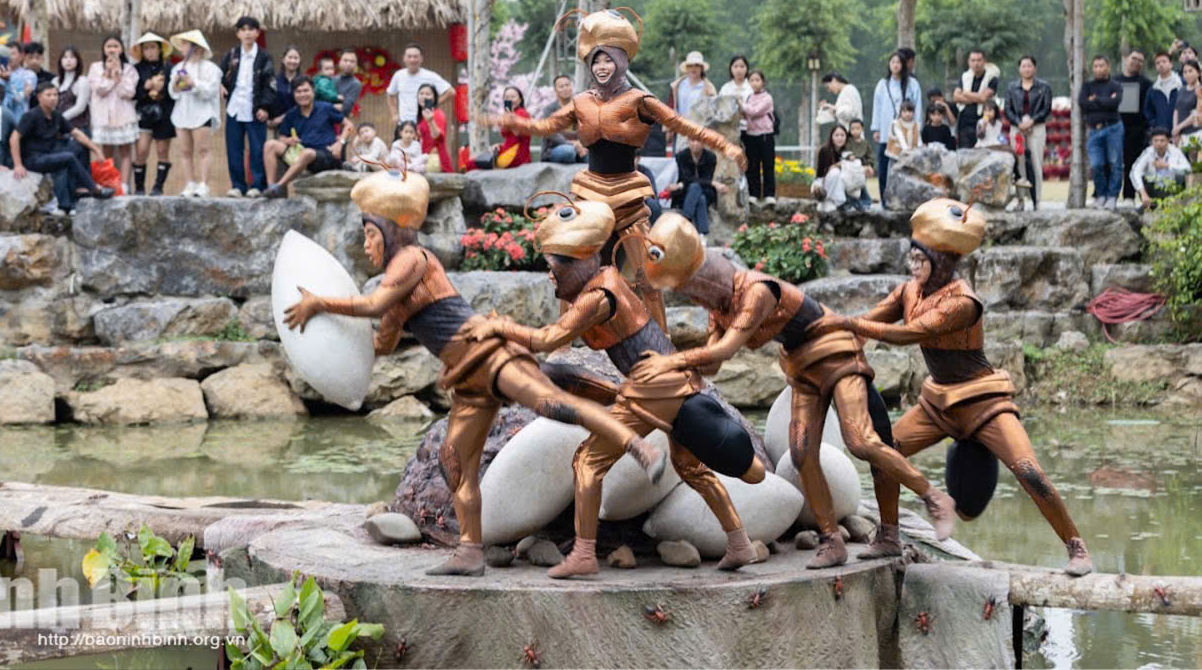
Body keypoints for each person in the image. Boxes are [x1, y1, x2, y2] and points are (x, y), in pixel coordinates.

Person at [282, 173, 665, 576]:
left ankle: (638, 446)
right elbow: (383, 344)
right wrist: (328, 344)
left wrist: (319, 304)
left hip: (487, 351)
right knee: (452, 459)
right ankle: (470, 551)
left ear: (389, 229)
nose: (366, 244)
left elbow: (374, 303)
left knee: (551, 403)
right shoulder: (397, 296)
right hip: (465, 377)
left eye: (369, 234)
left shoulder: (413, 260)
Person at [631, 213, 954, 568]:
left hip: (835, 352)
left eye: (692, 289)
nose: (695, 299)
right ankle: (832, 540)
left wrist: (670, 363)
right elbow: (712, 365)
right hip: (801, 367)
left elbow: (724, 350)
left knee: (861, 440)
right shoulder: (718, 309)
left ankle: (933, 496)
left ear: (707, 274)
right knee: (801, 454)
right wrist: (669, 359)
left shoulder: (757, 291)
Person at [468, 197, 759, 578]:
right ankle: (740, 544)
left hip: (653, 388)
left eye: (553, 266)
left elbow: (549, 337)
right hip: (673, 384)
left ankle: (584, 554)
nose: (550, 275)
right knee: (691, 468)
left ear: (578, 261)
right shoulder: (607, 282)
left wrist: (500, 326)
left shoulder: (599, 297)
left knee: (588, 461)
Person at [808, 198, 1092, 577]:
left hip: (982, 399)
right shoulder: (910, 291)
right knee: (885, 453)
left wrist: (851, 325)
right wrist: (827, 332)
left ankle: (1076, 547)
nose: (913, 265)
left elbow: (910, 333)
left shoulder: (963, 302)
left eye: (920, 258)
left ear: (943, 260)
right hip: (937, 402)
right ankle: (888, 534)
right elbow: (870, 320)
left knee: (1029, 470)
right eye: (912, 257)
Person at [490, 10, 746, 330]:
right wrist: (517, 122)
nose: (601, 67)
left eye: (608, 60)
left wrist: (726, 146)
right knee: (571, 270)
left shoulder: (640, 100)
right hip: (589, 196)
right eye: (596, 61)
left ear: (621, 60)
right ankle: (562, 343)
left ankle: (661, 345)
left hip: (628, 196)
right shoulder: (581, 101)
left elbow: (683, 125)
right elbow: (547, 125)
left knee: (646, 276)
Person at [11, 81, 115, 212]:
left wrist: (96, 149)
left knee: (78, 146)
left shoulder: (56, 115)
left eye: (55, 95)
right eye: (48, 95)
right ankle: (94, 189)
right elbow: (14, 138)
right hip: (34, 159)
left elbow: (76, 133)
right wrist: (18, 165)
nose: (53, 98)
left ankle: (78, 189)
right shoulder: (31, 116)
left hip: (49, 154)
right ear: (39, 97)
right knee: (68, 157)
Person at [218, 16, 274, 198]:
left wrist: (265, 107)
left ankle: (257, 185)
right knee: (234, 148)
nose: (247, 33)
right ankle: (237, 185)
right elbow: (220, 76)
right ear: (238, 33)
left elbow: (270, 84)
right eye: (243, 29)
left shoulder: (264, 56)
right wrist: (219, 85)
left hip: (255, 109)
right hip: (234, 107)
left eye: (251, 29)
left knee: (257, 148)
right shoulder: (231, 55)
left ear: (258, 33)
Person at [261, 76, 344, 198]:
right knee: (270, 145)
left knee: (307, 153)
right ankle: (271, 187)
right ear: (294, 95)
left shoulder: (326, 108)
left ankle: (279, 186)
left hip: (326, 156)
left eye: (306, 91)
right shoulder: (291, 114)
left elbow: (349, 126)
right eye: (298, 92)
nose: (302, 94)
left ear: (313, 92)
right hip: (301, 155)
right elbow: (282, 137)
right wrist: (288, 140)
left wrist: (340, 143)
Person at [168, 30, 223, 198]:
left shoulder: (211, 68)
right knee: (185, 151)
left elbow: (211, 91)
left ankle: (203, 184)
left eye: (186, 44)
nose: (182, 48)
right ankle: (189, 183)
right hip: (182, 113)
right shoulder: (178, 68)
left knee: (203, 149)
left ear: (197, 48)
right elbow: (172, 93)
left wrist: (194, 83)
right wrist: (176, 85)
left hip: (202, 113)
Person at [87, 35, 140, 195]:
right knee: (106, 151)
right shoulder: (96, 67)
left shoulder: (129, 69)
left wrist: (119, 77)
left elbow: (129, 93)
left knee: (125, 151)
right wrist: (109, 75)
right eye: (108, 46)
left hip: (123, 114)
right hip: (103, 117)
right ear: (104, 49)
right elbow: (99, 89)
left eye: (115, 46)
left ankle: (123, 185)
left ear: (121, 49)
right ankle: (108, 182)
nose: (112, 49)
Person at [870, 52, 922, 204]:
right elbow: (877, 107)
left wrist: (917, 128)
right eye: (892, 62)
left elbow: (917, 107)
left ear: (904, 65)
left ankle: (907, 199)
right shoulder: (882, 84)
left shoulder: (912, 84)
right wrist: (876, 129)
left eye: (898, 62)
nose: (895, 65)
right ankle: (885, 200)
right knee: (884, 166)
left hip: (907, 134)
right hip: (887, 132)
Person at [1002, 55, 1052, 209]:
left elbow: (1046, 109)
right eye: (1023, 66)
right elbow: (1008, 109)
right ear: (1019, 69)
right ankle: (1020, 200)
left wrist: (1032, 121)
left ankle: (1037, 200)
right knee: (1019, 164)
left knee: (1036, 162)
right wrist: (1019, 123)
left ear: (1034, 68)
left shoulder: (1044, 87)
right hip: (1017, 128)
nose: (1026, 69)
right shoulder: (1011, 87)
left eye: (1029, 66)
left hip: (1036, 128)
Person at [130, 33, 174, 196]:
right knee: (141, 150)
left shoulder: (170, 68)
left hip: (164, 114)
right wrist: (146, 87)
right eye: (146, 48)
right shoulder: (136, 69)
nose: (150, 51)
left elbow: (176, 92)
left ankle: (158, 187)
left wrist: (163, 87)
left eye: (153, 47)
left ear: (160, 49)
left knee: (162, 151)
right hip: (143, 114)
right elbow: (132, 94)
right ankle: (139, 187)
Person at [1079, 54, 1124, 208]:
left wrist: (1096, 99)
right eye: (1096, 66)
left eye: (1101, 66)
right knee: (1097, 164)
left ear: (1108, 66)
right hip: (1094, 131)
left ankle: (1112, 196)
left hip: (1113, 128)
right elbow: (1083, 103)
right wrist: (1105, 101)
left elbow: (1115, 103)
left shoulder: (1115, 85)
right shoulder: (1087, 86)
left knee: (1115, 162)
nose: (1098, 69)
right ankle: (1101, 195)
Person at [1115, 50, 1152, 202]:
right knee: (1113, 162)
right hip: (1116, 126)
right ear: (1126, 59)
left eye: (1140, 60)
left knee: (1132, 163)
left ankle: (1129, 196)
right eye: (1134, 58)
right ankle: (1109, 195)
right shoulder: (1115, 80)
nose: (1136, 62)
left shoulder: (1146, 83)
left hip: (1136, 130)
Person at [386, 42, 453, 125]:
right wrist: (394, 114)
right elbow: (390, 94)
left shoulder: (430, 76)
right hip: (404, 125)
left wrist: (434, 104)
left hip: (424, 123)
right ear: (404, 58)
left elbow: (451, 92)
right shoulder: (398, 75)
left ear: (421, 59)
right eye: (409, 56)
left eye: (415, 57)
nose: (412, 60)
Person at [669, 134, 723, 235]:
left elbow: (706, 178)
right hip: (684, 192)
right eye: (692, 140)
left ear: (703, 143)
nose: (695, 144)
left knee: (697, 188)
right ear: (688, 142)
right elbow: (686, 178)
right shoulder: (681, 156)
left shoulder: (711, 157)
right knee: (699, 196)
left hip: (706, 190)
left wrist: (709, 182)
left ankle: (685, 219)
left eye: (698, 141)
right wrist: (713, 183)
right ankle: (703, 234)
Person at [1129, 127, 1190, 210]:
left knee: (1181, 176)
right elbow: (1135, 171)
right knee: (1140, 177)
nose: (1159, 143)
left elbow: (1188, 170)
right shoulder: (1148, 152)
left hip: (1171, 188)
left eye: (1162, 140)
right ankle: (1149, 203)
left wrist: (1167, 166)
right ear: (1151, 142)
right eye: (1156, 140)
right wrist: (1143, 193)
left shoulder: (1176, 151)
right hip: (1153, 188)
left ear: (1168, 141)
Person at [740, 66, 776, 204]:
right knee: (753, 166)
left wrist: (741, 105)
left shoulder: (767, 98)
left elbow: (755, 111)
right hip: (751, 135)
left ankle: (769, 194)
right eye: (751, 80)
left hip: (765, 135)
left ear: (763, 82)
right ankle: (753, 194)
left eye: (757, 80)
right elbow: (747, 114)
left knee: (767, 165)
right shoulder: (749, 97)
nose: (754, 83)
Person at [668, 51, 717, 151]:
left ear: (702, 68)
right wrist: (669, 129)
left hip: (701, 131)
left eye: (697, 65)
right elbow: (670, 108)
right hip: (681, 129)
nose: (694, 68)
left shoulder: (709, 88)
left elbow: (713, 112)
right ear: (686, 67)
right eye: (690, 65)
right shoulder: (677, 86)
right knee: (680, 161)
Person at [471, 86, 529, 169]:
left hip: (517, 154)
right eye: (506, 97)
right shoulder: (508, 115)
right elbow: (509, 137)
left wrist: (511, 119)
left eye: (513, 97)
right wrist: (500, 145)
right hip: (507, 150)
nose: (510, 99)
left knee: (475, 163)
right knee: (474, 162)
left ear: (520, 100)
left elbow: (518, 134)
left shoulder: (522, 113)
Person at [953, 49, 999, 149]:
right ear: (968, 62)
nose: (976, 63)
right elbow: (956, 96)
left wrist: (965, 93)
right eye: (973, 60)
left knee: (983, 153)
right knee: (964, 154)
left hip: (984, 121)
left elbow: (983, 98)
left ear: (984, 61)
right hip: (964, 122)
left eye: (979, 60)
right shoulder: (965, 76)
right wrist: (976, 97)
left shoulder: (992, 78)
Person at [540, 74, 586, 163]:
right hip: (555, 149)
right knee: (568, 151)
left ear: (571, 87)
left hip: (579, 147)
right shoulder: (549, 110)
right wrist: (572, 144)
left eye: (567, 85)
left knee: (594, 156)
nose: (565, 88)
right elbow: (550, 132)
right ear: (556, 91)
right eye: (561, 86)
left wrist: (582, 144)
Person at [814, 123, 857, 213]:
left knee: (845, 175)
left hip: (840, 183)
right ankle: (826, 201)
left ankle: (840, 203)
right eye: (836, 135)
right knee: (836, 172)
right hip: (821, 184)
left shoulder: (847, 151)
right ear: (831, 137)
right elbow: (822, 173)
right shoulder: (825, 150)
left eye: (842, 135)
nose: (840, 138)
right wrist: (838, 165)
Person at [415, 83, 453, 172]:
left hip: (437, 162)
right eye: (421, 93)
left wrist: (431, 121)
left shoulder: (438, 114)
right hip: (423, 161)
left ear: (434, 98)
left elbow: (438, 136)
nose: (424, 96)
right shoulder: (420, 117)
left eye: (428, 94)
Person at [1144, 50, 1181, 132]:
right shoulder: (1153, 89)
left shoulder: (1181, 84)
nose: (1161, 64)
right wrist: (1155, 124)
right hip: (1161, 135)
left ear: (1171, 64)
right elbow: (1148, 111)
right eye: (1157, 63)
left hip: (1182, 131)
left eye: (1164, 61)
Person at [265, 46, 301, 128]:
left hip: (300, 123)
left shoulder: (304, 82)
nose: (293, 61)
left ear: (300, 61)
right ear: (283, 60)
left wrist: (282, 118)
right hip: (279, 126)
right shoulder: (274, 81)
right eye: (290, 57)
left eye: (296, 58)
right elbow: (270, 101)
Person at [845, 119, 875, 209]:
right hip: (851, 168)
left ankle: (864, 202)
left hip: (862, 168)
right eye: (853, 129)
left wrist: (869, 165)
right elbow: (845, 153)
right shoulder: (848, 142)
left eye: (857, 128)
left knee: (861, 186)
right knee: (852, 188)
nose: (855, 131)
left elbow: (870, 156)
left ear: (862, 129)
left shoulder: (865, 143)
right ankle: (859, 201)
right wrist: (850, 156)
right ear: (850, 130)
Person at [1172, 59, 1202, 145]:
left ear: (1199, 73)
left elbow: (1197, 112)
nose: (1187, 74)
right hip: (1181, 134)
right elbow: (1176, 110)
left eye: (1190, 71)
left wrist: (1179, 127)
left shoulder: (1200, 90)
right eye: (1185, 72)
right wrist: (1175, 130)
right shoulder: (1181, 90)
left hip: (1196, 133)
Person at [886, 99, 921, 164]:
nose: (907, 114)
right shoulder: (896, 124)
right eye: (904, 111)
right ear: (900, 112)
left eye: (910, 111)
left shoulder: (916, 125)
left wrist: (920, 148)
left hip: (911, 155)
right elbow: (900, 138)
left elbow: (918, 139)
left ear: (913, 112)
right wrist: (906, 149)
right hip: (896, 155)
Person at [334, 49, 363, 117]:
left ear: (356, 65)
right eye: (345, 60)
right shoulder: (331, 79)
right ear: (339, 62)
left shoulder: (355, 84)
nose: (348, 63)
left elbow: (345, 109)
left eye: (352, 61)